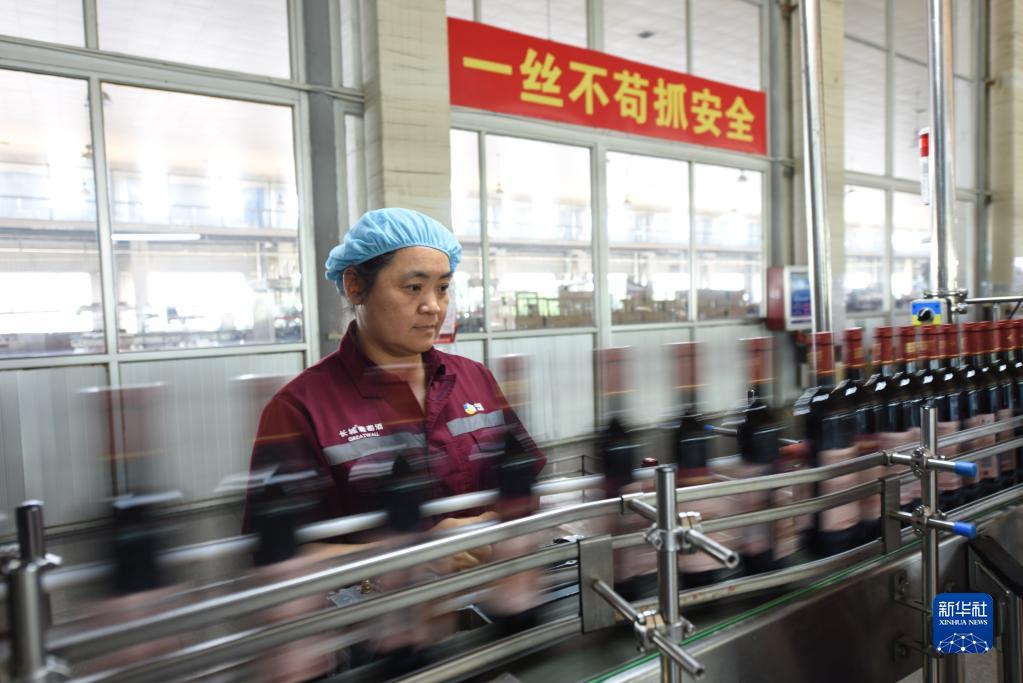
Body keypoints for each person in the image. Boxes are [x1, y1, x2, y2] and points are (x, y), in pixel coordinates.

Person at [243, 208, 545, 564]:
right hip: (377, 600)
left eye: (442, 288)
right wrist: (414, 557)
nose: (433, 306)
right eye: (413, 287)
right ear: (355, 286)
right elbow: (274, 556)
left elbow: (527, 487)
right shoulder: (300, 409)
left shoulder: (475, 380)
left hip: (490, 589)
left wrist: (503, 523)